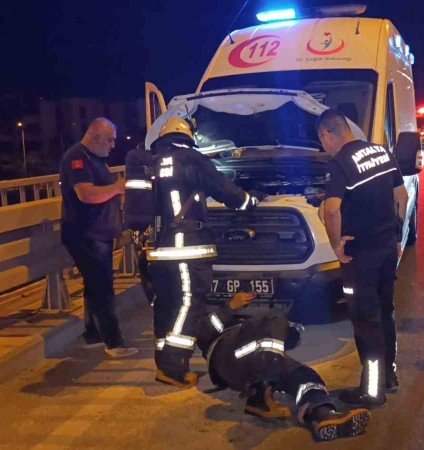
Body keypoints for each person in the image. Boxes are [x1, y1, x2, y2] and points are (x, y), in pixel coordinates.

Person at [123, 117, 265, 387]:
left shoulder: (151, 162)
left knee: (166, 307)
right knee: (188, 305)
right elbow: (230, 194)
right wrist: (252, 198)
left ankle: (164, 361)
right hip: (187, 249)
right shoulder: (192, 159)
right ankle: (173, 367)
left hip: (158, 252)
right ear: (188, 136)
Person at [318, 109, 409, 408]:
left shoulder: (341, 163)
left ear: (327, 134)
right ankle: (389, 376)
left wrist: (336, 246)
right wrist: (396, 235)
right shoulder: (381, 151)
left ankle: (372, 392)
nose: (324, 147)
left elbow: (331, 209)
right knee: (385, 312)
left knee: (366, 322)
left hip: (361, 259)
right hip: (386, 251)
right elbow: (402, 196)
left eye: (323, 141)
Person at [193, 291, 372, 442]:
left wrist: (290, 330)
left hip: (258, 362)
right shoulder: (231, 324)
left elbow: (289, 340)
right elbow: (203, 332)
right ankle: (260, 393)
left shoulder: (264, 336)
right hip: (227, 354)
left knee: (305, 375)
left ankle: (322, 415)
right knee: (273, 319)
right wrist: (230, 306)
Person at [59, 118, 137, 358]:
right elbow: (86, 194)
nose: (113, 145)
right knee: (103, 288)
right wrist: (117, 188)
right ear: (94, 136)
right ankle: (114, 344)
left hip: (98, 234)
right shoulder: (77, 158)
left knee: (93, 287)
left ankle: (92, 335)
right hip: (86, 234)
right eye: (110, 139)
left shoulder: (95, 158)